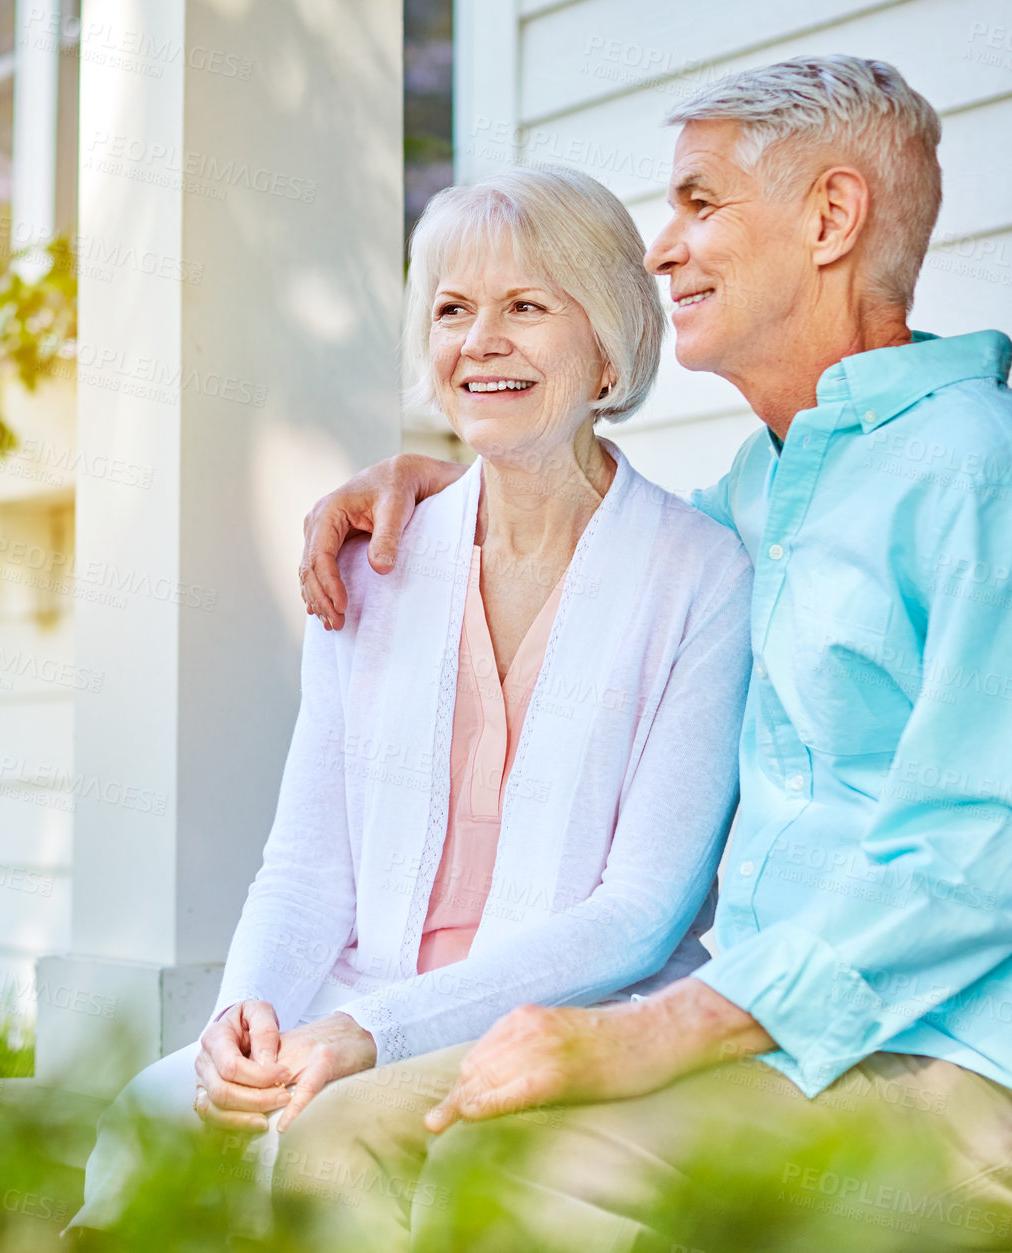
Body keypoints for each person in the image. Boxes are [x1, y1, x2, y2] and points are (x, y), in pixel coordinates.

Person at [285, 55, 1012, 1252]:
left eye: (700, 203)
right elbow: (605, 546)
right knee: (343, 1126)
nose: (661, 249)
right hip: (780, 1051)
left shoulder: (991, 477)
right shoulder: (766, 490)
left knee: (514, 1168)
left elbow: (969, 861)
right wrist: (451, 484)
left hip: (972, 1075)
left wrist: (645, 1032)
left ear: (829, 218)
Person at [65, 165, 754, 1233]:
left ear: (610, 347)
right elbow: (304, 866)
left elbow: (638, 913)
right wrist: (243, 1023)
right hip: (340, 1022)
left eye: (525, 305)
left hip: (557, 1031)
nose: (480, 340)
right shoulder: (372, 560)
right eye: (450, 309)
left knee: (347, 1158)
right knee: (152, 1117)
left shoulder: (700, 574)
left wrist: (373, 1034)